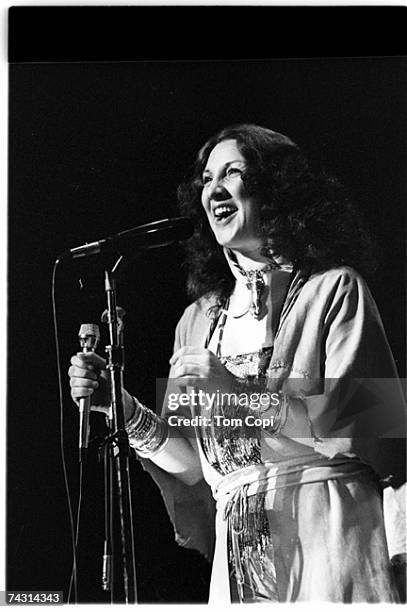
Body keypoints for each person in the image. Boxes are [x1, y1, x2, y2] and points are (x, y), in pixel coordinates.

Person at [68, 124, 406, 603]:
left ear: (273, 189)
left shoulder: (334, 289)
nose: (214, 189)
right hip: (238, 554)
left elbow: (371, 424)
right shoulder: (198, 320)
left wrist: (238, 392)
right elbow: (192, 466)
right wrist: (120, 408)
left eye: (232, 173)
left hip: (329, 531)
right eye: (206, 179)